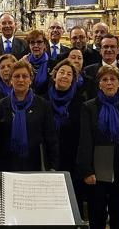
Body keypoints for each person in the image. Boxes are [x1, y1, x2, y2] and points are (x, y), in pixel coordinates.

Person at [76, 65, 119, 229]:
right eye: (104, 80)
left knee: (118, 213)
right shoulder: (89, 107)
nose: (109, 83)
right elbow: (85, 139)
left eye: (113, 79)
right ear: (99, 84)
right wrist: (87, 170)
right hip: (96, 166)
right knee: (96, 213)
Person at [0, 60, 58, 171]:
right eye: (16, 76)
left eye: (25, 76)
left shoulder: (43, 105)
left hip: (35, 163)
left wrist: (53, 166)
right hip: (7, 164)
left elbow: (51, 138)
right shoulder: (1, 105)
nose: (20, 80)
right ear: (11, 80)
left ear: (30, 80)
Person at [46, 59, 88, 215]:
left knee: (73, 205)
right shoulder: (43, 100)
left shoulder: (80, 101)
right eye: (62, 72)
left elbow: (83, 135)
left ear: (74, 79)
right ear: (54, 75)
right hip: (50, 159)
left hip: (72, 160)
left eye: (69, 74)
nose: (65, 76)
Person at [83, 34, 119, 102]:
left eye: (112, 47)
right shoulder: (88, 71)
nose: (109, 50)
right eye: (106, 47)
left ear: (118, 50)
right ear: (100, 50)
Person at [24, 30, 52, 95]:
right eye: (32, 43)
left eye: (39, 42)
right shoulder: (24, 62)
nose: (36, 45)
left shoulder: (52, 64)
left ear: (45, 44)